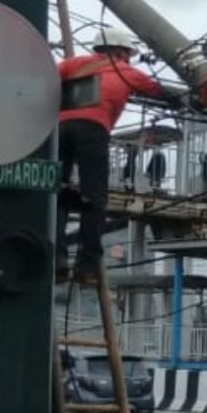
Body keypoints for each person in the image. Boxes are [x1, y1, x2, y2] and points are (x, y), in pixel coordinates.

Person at [57, 27, 163, 274]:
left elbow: (46, 76)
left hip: (60, 129)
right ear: (117, 51)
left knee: (58, 193)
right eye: (127, 54)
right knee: (94, 197)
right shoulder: (125, 71)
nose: (128, 59)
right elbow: (159, 92)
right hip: (93, 130)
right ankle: (88, 263)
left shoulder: (73, 64)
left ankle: (57, 259)